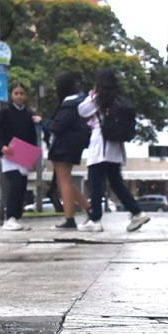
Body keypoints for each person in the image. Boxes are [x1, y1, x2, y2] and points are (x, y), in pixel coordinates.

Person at [77, 68, 150, 233]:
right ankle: (137, 212)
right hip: (116, 148)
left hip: (100, 147)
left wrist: (91, 96)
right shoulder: (119, 99)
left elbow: (81, 111)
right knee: (116, 183)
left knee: (96, 183)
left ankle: (95, 219)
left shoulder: (98, 99)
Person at [0, 83, 41, 231]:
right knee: (14, 184)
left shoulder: (29, 114)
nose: (19, 96)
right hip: (9, 154)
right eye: (16, 93)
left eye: (21, 93)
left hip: (23, 155)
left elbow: (32, 137)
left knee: (22, 186)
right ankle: (9, 217)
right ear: (11, 95)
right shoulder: (5, 112)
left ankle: (17, 217)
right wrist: (2, 146)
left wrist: (32, 157)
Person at [45, 71, 91, 230]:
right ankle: (88, 208)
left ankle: (69, 218)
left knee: (63, 182)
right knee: (65, 182)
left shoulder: (69, 105)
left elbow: (57, 126)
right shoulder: (81, 101)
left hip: (63, 146)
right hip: (73, 145)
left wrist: (43, 122)